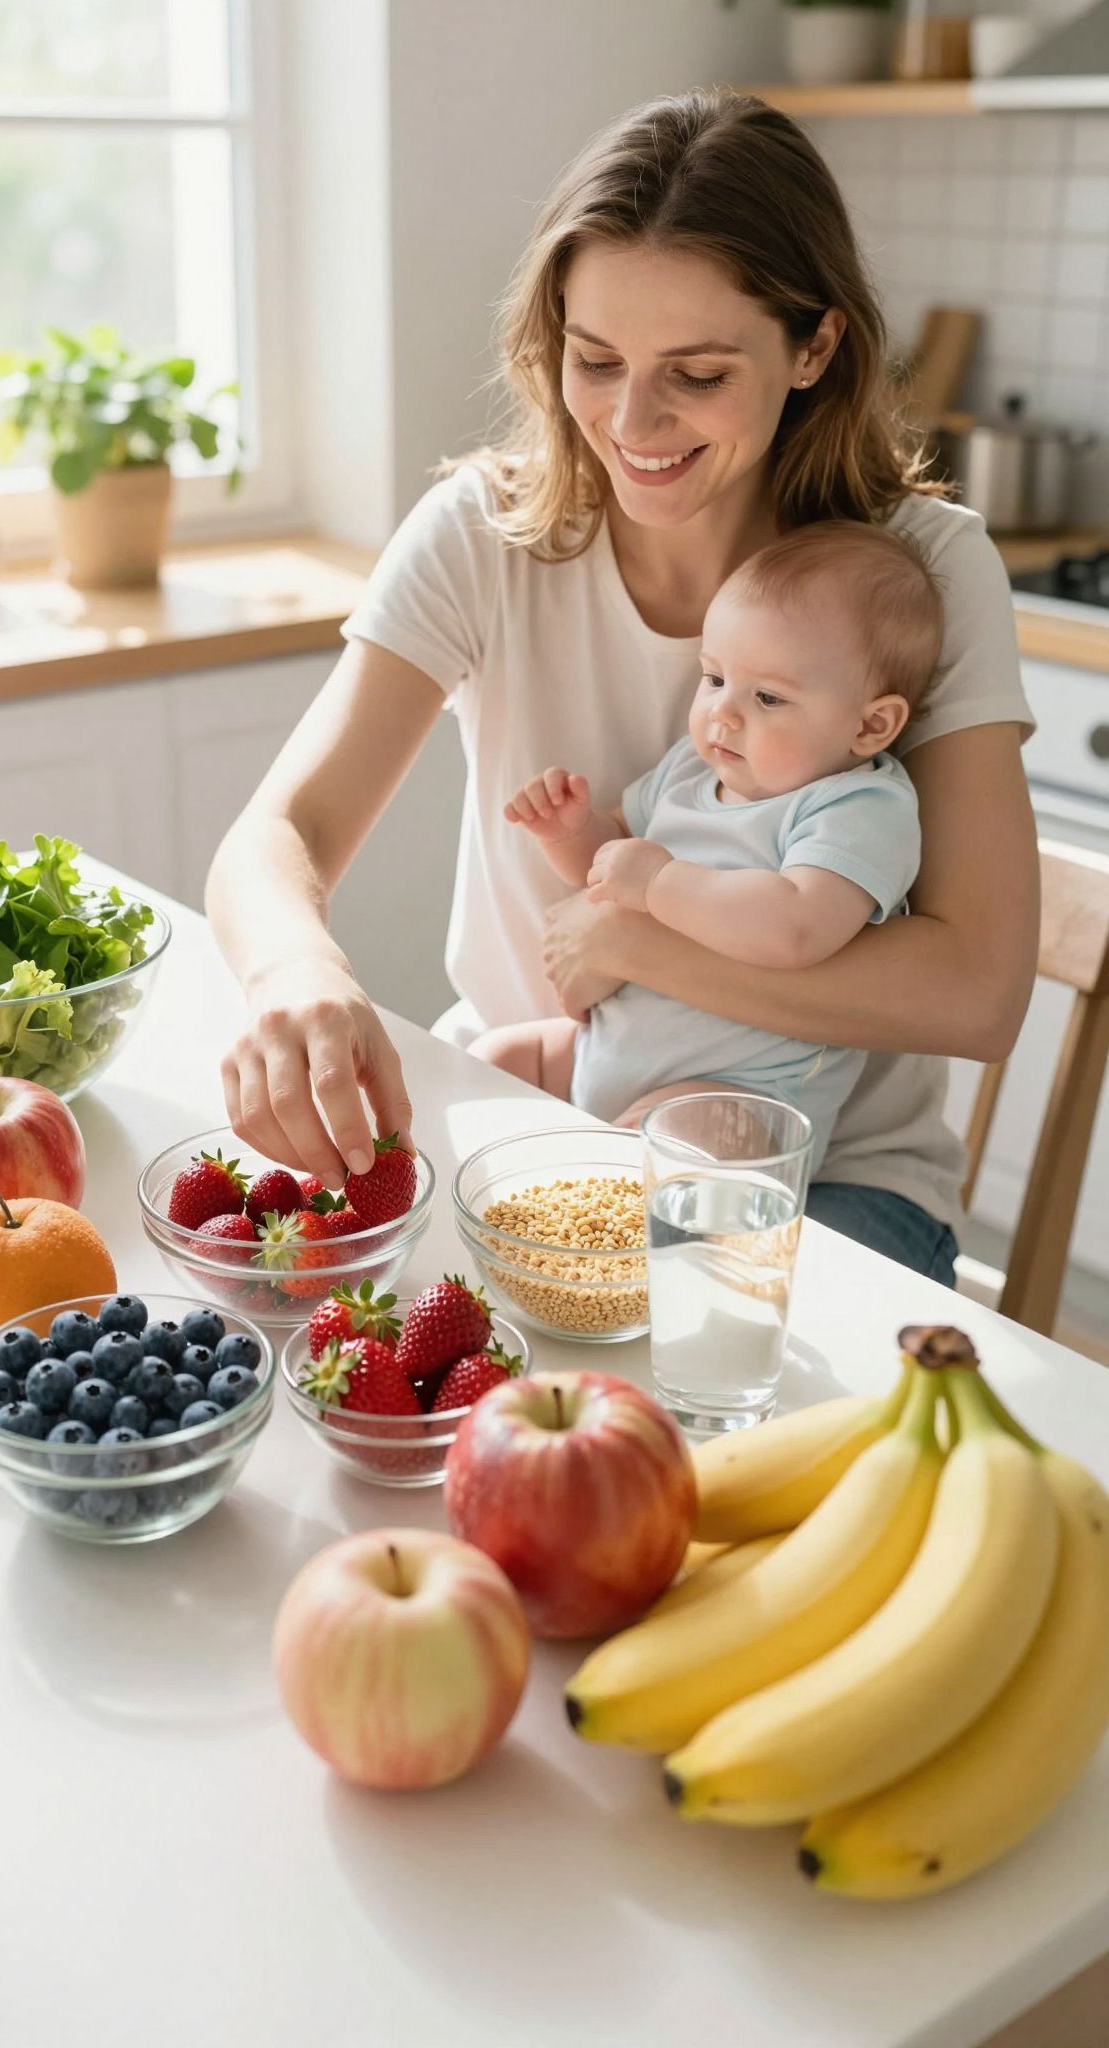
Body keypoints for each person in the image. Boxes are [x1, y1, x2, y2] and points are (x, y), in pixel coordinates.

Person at [205, 88, 1037, 1286]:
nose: (631, 421)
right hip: (534, 1100)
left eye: (696, 374)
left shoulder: (925, 570)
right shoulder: (484, 536)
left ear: (816, 348)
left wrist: (632, 941)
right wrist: (297, 972)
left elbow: (976, 991)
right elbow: (277, 835)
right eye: (595, 360)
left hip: (829, 1178)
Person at [475, 520, 942, 1167]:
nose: (723, 712)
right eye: (714, 678)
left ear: (871, 724)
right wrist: (573, 831)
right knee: (492, 1062)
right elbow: (610, 869)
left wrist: (661, 883)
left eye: (768, 696)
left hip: (738, 1100)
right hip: (599, 1054)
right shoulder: (693, 771)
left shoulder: (855, 805)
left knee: (673, 1159)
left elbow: (796, 927)